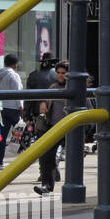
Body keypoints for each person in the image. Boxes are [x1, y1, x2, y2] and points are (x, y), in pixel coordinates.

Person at [34, 60, 70, 195]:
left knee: (71, 159)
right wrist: (43, 103)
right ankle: (47, 186)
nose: (60, 76)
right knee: (46, 156)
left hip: (70, 129)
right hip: (54, 128)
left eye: (64, 73)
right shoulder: (53, 87)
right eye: (58, 73)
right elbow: (45, 100)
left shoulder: (76, 88)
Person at [0, 53, 22, 171]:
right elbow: (18, 92)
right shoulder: (14, 75)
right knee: (21, 134)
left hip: (2, 108)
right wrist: (21, 107)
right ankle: (24, 159)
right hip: (13, 109)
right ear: (16, 64)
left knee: (1, 137)